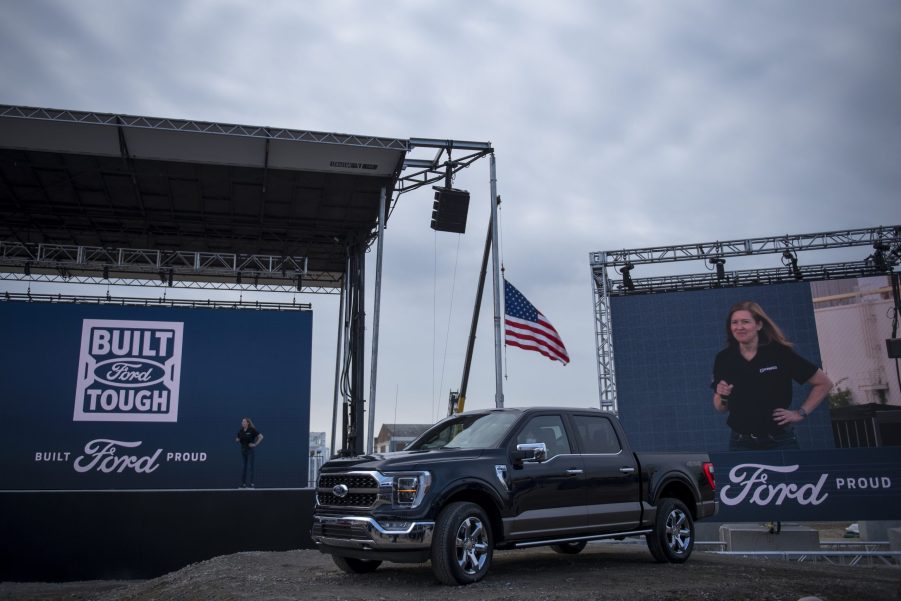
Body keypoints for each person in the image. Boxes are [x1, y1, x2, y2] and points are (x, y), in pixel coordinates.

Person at [712, 301, 833, 451]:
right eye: (734, 322)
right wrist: (722, 396)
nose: (739, 327)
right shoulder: (724, 359)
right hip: (740, 443)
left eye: (745, 322)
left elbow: (824, 383)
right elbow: (721, 407)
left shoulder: (779, 353)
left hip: (780, 441)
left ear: (759, 325)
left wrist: (800, 413)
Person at [235, 417, 263, 488]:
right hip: (243, 450)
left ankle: (251, 484)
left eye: (244, 422)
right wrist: (237, 440)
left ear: (248, 423)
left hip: (250, 450)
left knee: (250, 467)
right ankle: (243, 484)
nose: (242, 423)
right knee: (244, 467)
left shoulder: (252, 430)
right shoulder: (241, 431)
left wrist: (255, 444)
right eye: (242, 422)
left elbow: (261, 437)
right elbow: (238, 438)